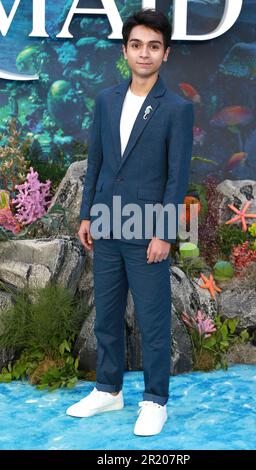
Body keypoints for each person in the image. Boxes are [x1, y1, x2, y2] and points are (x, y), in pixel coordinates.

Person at [66, 8, 194, 437]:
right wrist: (86, 214)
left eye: (153, 46)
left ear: (166, 53)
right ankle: (108, 389)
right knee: (106, 315)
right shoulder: (106, 99)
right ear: (125, 50)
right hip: (105, 221)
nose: (144, 53)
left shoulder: (176, 108)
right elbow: (98, 161)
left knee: (153, 320)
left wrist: (164, 231)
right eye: (136, 45)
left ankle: (155, 399)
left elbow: (176, 178)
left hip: (147, 228)